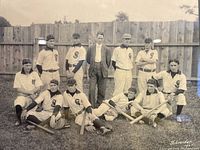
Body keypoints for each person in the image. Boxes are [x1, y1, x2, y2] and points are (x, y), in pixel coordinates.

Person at [13, 58, 43, 126]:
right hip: (23, 95)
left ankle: (28, 117)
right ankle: (19, 120)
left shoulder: (34, 74)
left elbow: (38, 87)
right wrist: (30, 93)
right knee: (18, 103)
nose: (28, 67)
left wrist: (33, 93)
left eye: (29, 65)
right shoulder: (18, 75)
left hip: (33, 97)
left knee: (30, 115)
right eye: (26, 65)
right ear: (23, 66)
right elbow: (18, 89)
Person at [86, 32, 111, 107]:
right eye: (99, 38)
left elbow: (108, 61)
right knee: (92, 89)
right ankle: (91, 106)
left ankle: (99, 106)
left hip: (102, 70)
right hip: (93, 69)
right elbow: (88, 59)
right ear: (96, 38)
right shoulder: (91, 48)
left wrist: (103, 67)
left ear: (103, 39)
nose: (100, 40)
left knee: (101, 90)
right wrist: (94, 65)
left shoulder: (106, 49)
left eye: (101, 38)